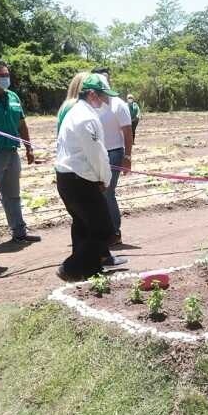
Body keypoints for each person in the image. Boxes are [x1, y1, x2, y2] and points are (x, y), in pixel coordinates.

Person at [55, 74, 127, 281]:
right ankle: (70, 268)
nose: (105, 101)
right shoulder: (86, 117)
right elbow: (96, 154)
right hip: (81, 179)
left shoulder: (74, 111)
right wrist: (104, 179)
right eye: (103, 96)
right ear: (92, 94)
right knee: (104, 230)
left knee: (83, 225)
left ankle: (90, 269)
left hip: (68, 177)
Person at [0, 60, 41, 244]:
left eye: (7, 75)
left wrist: (29, 147)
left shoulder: (13, 97)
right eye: (1, 75)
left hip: (12, 152)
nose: (5, 78)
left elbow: (21, 123)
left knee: (13, 194)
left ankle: (19, 232)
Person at [90, 68, 132, 247]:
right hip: (96, 153)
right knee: (96, 194)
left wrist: (128, 156)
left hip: (114, 153)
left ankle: (114, 232)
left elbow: (128, 132)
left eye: (106, 79)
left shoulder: (118, 104)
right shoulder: (92, 103)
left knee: (107, 192)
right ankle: (101, 230)